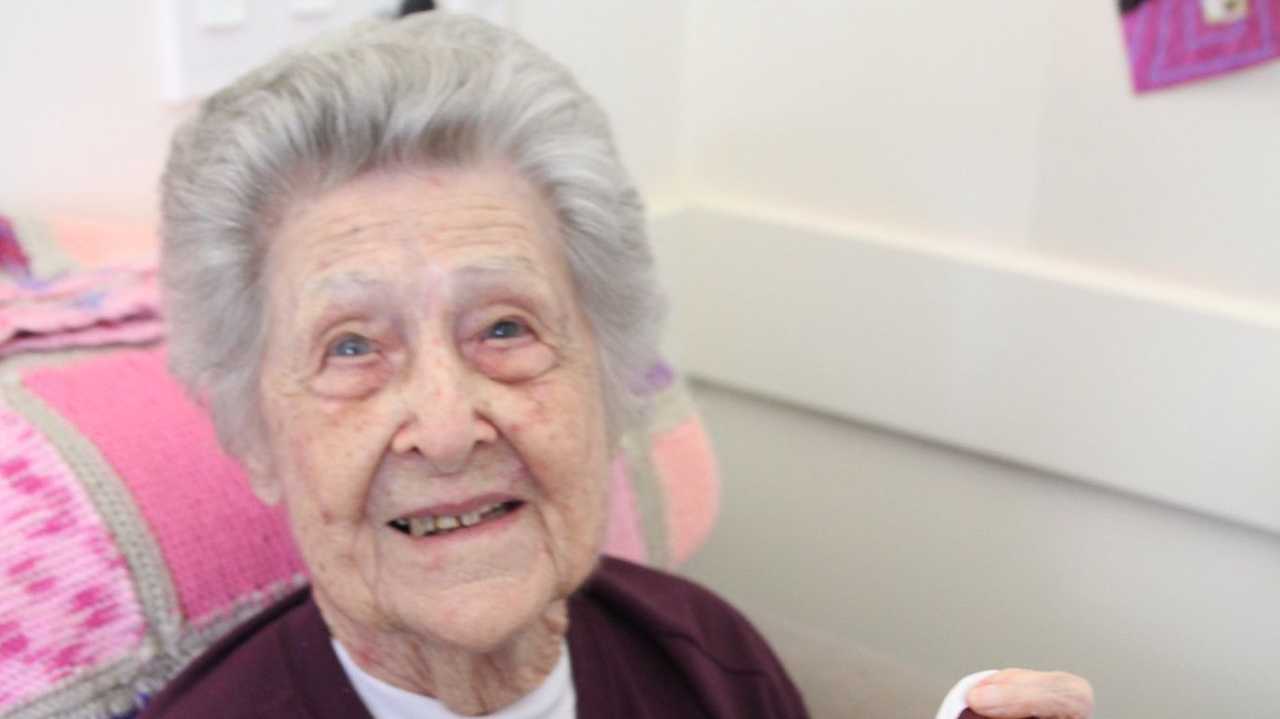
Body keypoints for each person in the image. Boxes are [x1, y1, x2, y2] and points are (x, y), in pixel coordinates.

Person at [142, 12, 1093, 719]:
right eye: (351, 346)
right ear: (257, 431)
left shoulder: (709, 663)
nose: (444, 425)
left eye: (505, 328)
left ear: (605, 375)